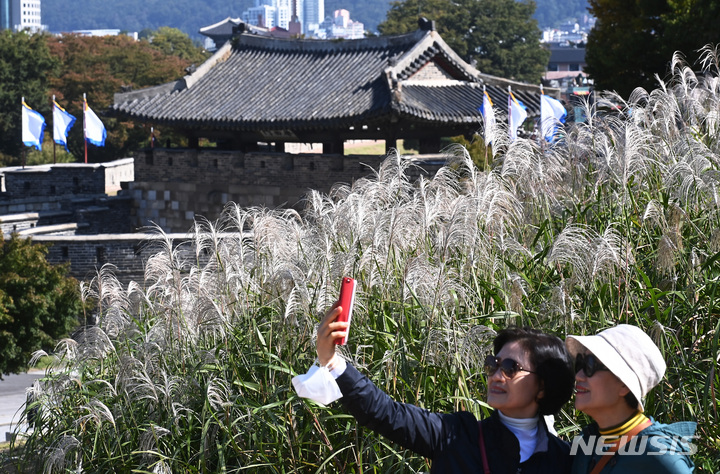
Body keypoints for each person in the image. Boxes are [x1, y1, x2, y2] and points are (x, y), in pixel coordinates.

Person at [317, 305, 576, 473]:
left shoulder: (564, 459)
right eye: (492, 365)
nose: (496, 376)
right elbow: (386, 413)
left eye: (510, 368)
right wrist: (332, 363)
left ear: (542, 387)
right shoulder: (456, 435)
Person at [566, 324, 696, 473]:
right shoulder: (587, 443)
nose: (578, 376)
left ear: (624, 385)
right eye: (581, 363)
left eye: (590, 365)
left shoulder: (660, 455)